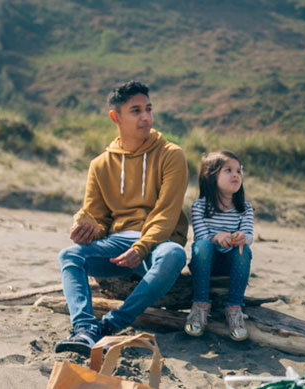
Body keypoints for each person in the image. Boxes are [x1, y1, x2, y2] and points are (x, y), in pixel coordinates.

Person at [55, 80, 189, 354]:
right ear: (115, 117)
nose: (146, 117)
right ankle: (84, 328)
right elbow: (100, 218)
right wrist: (88, 229)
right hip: (117, 246)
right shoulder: (100, 165)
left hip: (156, 244)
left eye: (148, 109)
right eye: (136, 110)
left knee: (174, 255)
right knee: (69, 255)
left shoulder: (171, 155)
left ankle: (109, 326)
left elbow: (166, 213)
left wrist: (141, 249)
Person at [184, 151, 255, 341]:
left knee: (244, 250)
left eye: (239, 171)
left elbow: (249, 236)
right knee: (202, 246)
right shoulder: (200, 206)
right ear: (211, 176)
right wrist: (217, 237)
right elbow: (200, 236)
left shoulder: (245, 208)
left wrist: (241, 237)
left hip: (230, 263)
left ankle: (234, 308)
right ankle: (200, 306)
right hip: (206, 261)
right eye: (228, 170)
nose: (236, 175)